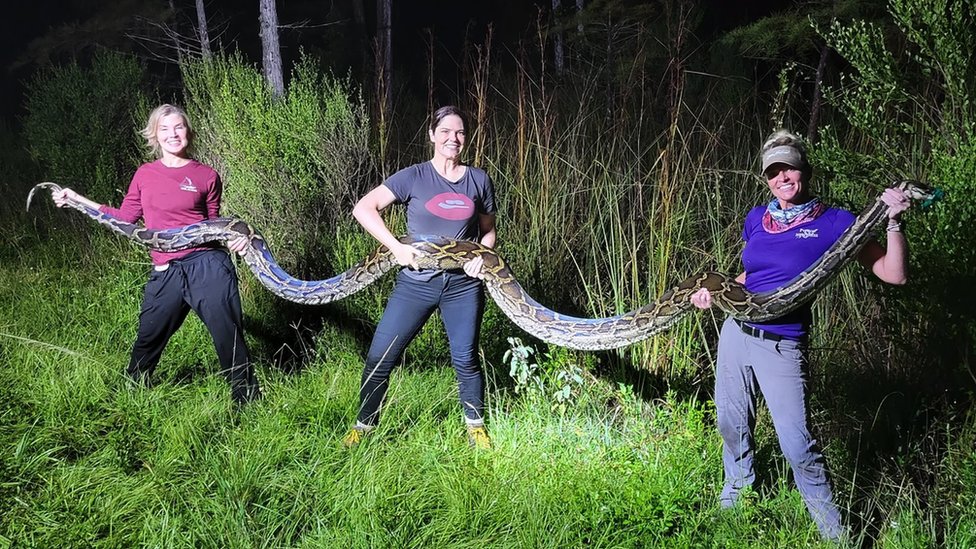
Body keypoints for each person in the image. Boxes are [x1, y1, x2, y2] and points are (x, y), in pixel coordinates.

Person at [689, 129, 912, 540]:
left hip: (782, 344)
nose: (782, 178)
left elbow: (893, 274)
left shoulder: (835, 222)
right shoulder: (757, 218)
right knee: (731, 424)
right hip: (736, 334)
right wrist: (713, 294)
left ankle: (834, 535)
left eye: (788, 168)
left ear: (804, 170)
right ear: (766, 178)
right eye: (773, 172)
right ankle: (735, 506)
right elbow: (750, 277)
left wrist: (893, 221)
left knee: (797, 444)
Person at [53, 104, 261, 404]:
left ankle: (247, 400)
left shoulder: (207, 175)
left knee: (228, 336)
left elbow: (216, 224)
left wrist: (236, 242)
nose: (172, 134)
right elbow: (125, 218)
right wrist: (76, 200)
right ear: (154, 135)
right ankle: (131, 393)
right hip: (166, 268)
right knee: (148, 336)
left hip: (207, 265)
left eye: (178, 127)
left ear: (188, 131)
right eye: (164, 129)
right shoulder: (145, 174)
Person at [344, 105, 497, 449]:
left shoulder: (479, 180)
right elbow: (364, 208)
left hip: (463, 286)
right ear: (431, 135)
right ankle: (363, 426)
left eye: (460, 132)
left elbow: (488, 232)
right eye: (445, 132)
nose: (453, 138)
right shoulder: (413, 176)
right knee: (380, 355)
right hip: (416, 284)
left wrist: (481, 258)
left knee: (466, 358)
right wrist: (396, 247)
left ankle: (475, 427)